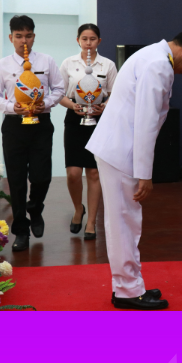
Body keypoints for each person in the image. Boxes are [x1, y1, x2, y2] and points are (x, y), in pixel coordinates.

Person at [87, 28, 182, 310]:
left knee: (125, 220)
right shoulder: (158, 65)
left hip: (117, 147)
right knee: (124, 222)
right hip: (122, 150)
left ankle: (130, 284)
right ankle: (127, 290)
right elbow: (145, 121)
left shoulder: (152, 54)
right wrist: (145, 174)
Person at [0, 15, 66, 252]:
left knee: (42, 177)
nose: (24, 41)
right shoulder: (2, 65)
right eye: (19, 36)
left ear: (34, 37)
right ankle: (21, 230)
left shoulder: (47, 61)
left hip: (41, 124)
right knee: (17, 180)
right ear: (11, 38)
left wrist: (46, 103)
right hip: (14, 126)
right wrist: (12, 107)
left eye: (28, 36)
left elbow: (59, 89)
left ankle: (35, 207)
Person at [57, 23, 117, 241]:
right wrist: (73, 106)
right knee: (73, 173)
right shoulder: (68, 63)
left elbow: (115, 93)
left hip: (99, 119)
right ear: (78, 41)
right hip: (75, 117)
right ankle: (78, 209)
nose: (88, 43)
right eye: (84, 39)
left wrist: (104, 107)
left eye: (92, 39)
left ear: (99, 41)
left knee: (93, 172)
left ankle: (91, 222)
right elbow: (59, 93)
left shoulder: (108, 65)